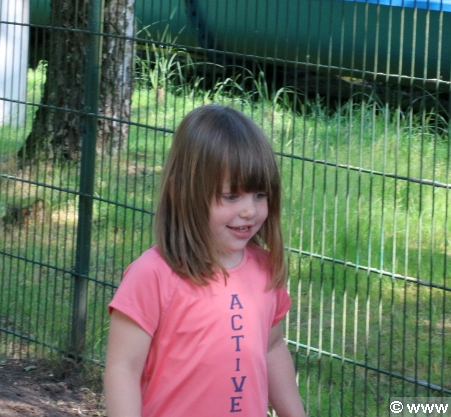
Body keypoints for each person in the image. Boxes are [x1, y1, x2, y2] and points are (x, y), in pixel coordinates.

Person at [104, 104, 306, 417]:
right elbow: (123, 369)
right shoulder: (152, 274)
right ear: (184, 192)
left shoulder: (265, 268)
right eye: (231, 196)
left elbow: (272, 347)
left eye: (259, 195)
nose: (250, 211)